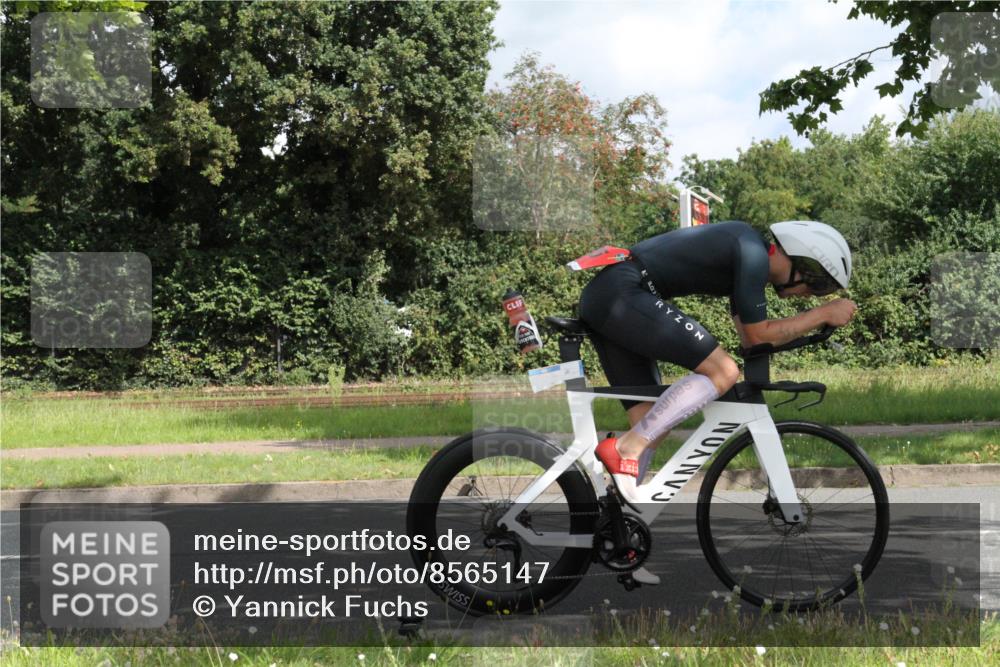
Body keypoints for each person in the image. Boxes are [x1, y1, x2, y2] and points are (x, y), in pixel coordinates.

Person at [578, 220, 856, 584]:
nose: (812, 295)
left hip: (616, 294)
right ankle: (625, 449)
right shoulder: (752, 251)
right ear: (803, 262)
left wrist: (811, 323)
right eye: (817, 283)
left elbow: (753, 340)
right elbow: (758, 335)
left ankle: (621, 542)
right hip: (623, 292)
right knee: (722, 371)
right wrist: (821, 315)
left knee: (651, 421)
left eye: (821, 293)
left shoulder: (748, 256)